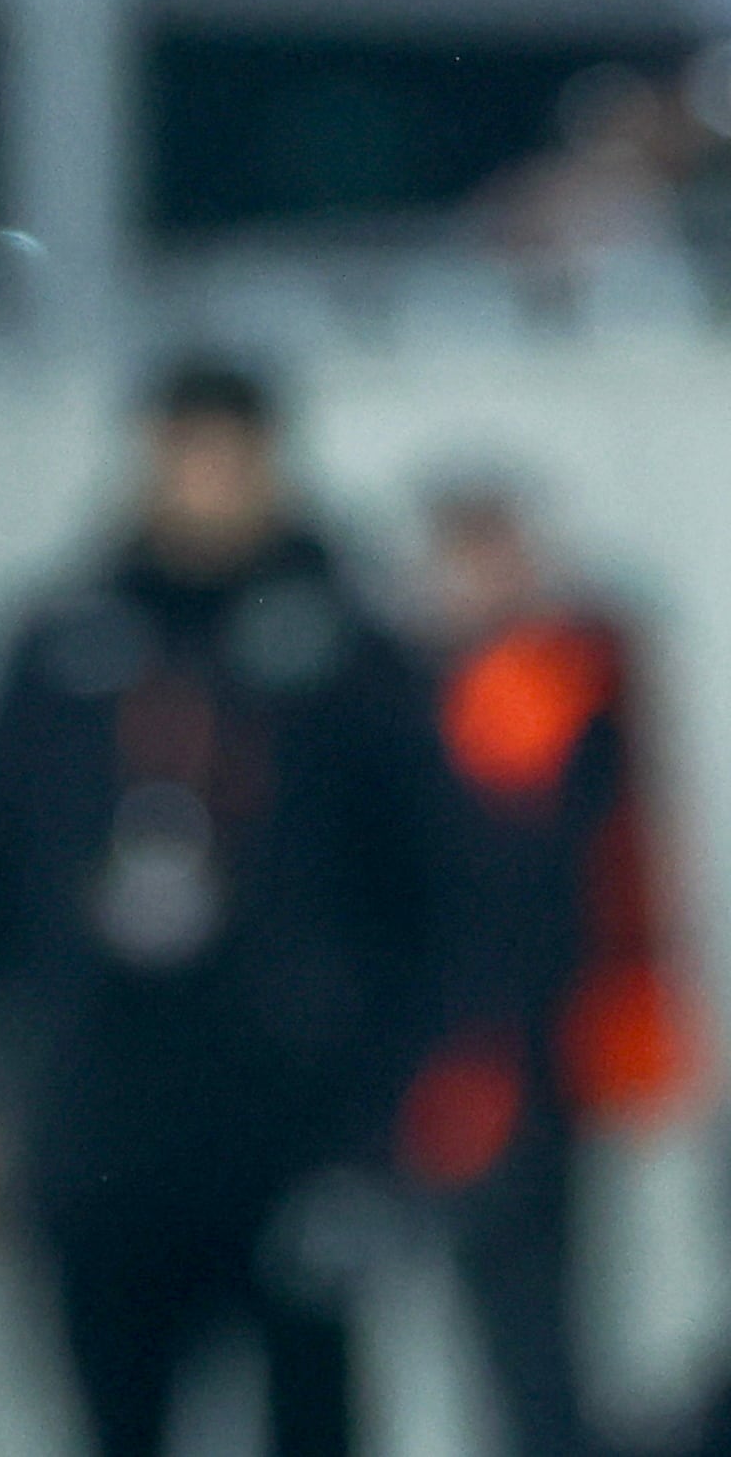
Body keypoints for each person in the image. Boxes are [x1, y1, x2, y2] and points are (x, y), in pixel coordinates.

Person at [0, 362, 442, 1457]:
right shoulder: (58, 651)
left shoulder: (348, 656)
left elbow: (424, 900)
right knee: (113, 1410)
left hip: (293, 1116)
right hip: (102, 1114)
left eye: (229, 458)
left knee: (311, 1414)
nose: (205, 487)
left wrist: (388, 1117)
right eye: (183, 455)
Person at [398, 486, 702, 1457]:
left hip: (535, 1049)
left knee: (538, 1321)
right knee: (499, 1324)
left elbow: (539, 886)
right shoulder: (436, 682)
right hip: (468, 1048)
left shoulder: (547, 681)